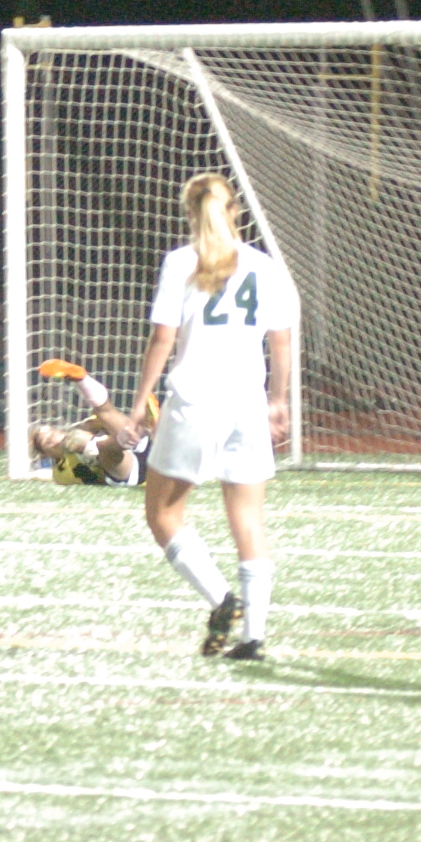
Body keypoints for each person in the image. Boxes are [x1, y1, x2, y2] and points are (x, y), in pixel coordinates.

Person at [129, 173, 297, 660]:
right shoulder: (264, 267)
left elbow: (163, 338)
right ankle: (254, 638)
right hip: (247, 403)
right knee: (248, 518)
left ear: (190, 213)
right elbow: (281, 342)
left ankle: (222, 600)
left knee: (163, 514)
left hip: (195, 403)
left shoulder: (181, 262)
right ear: (235, 211)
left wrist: (139, 403)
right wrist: (278, 400)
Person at [31, 361, 153, 486]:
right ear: (47, 454)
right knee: (103, 447)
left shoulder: (83, 427)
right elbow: (95, 481)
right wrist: (88, 447)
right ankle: (144, 426)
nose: (52, 437)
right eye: (47, 441)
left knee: (105, 414)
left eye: (52, 432)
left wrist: (91, 428)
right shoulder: (61, 472)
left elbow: (104, 420)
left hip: (140, 445)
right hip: (131, 471)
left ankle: (81, 378)